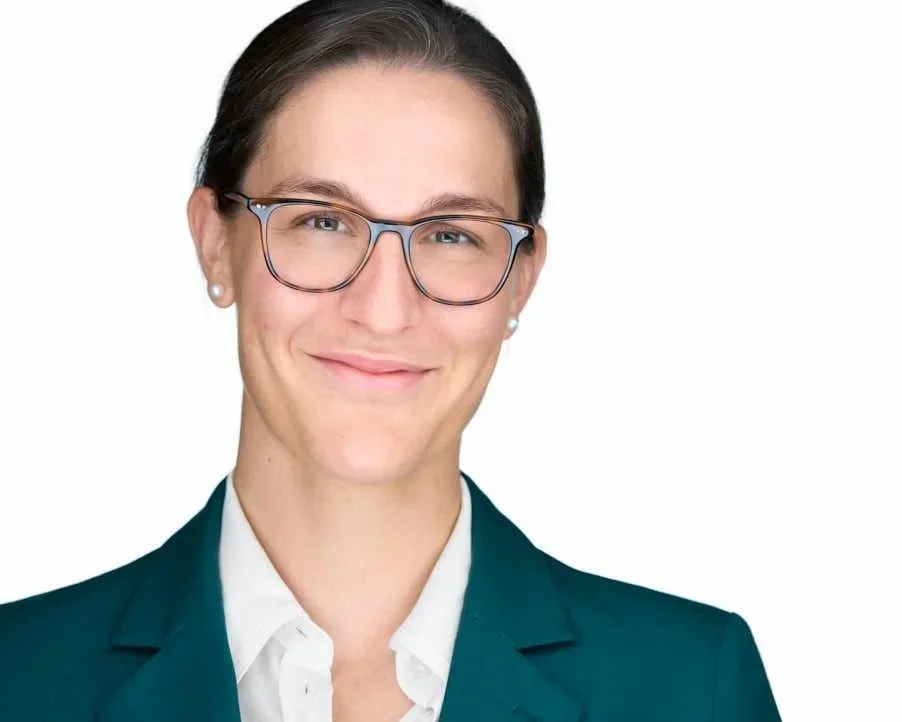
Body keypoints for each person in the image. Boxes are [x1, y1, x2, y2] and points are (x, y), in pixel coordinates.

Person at [0, 1, 781, 720]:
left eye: (450, 235)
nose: (382, 308)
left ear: (521, 280)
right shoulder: (20, 675)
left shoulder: (691, 687)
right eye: (322, 221)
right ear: (215, 241)